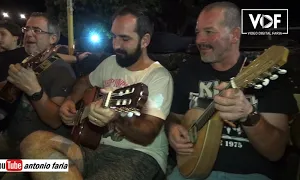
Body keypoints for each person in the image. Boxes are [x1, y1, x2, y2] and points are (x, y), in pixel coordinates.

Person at [19, 4, 173, 180]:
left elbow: (148, 133)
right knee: (33, 143)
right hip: (92, 148)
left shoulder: (159, 77)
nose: (116, 45)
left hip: (140, 155)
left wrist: (116, 117)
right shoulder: (111, 62)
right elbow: (84, 82)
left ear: (145, 40)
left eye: (124, 39)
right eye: (114, 37)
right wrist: (70, 100)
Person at [166, 1, 298, 180]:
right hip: (191, 167)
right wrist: (173, 129)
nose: (199, 40)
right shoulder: (189, 71)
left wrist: (248, 115)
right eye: (197, 32)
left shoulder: (268, 78)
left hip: (250, 175)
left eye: (209, 32)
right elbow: (174, 117)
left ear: (235, 35)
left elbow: (275, 151)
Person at [0, 12, 76, 179]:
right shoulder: (28, 63)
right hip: (9, 138)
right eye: (27, 29)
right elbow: (8, 88)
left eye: (37, 30)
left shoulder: (61, 70)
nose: (29, 34)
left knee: (4, 174)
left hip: (38, 153)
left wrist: (34, 90)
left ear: (53, 39)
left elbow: (55, 120)